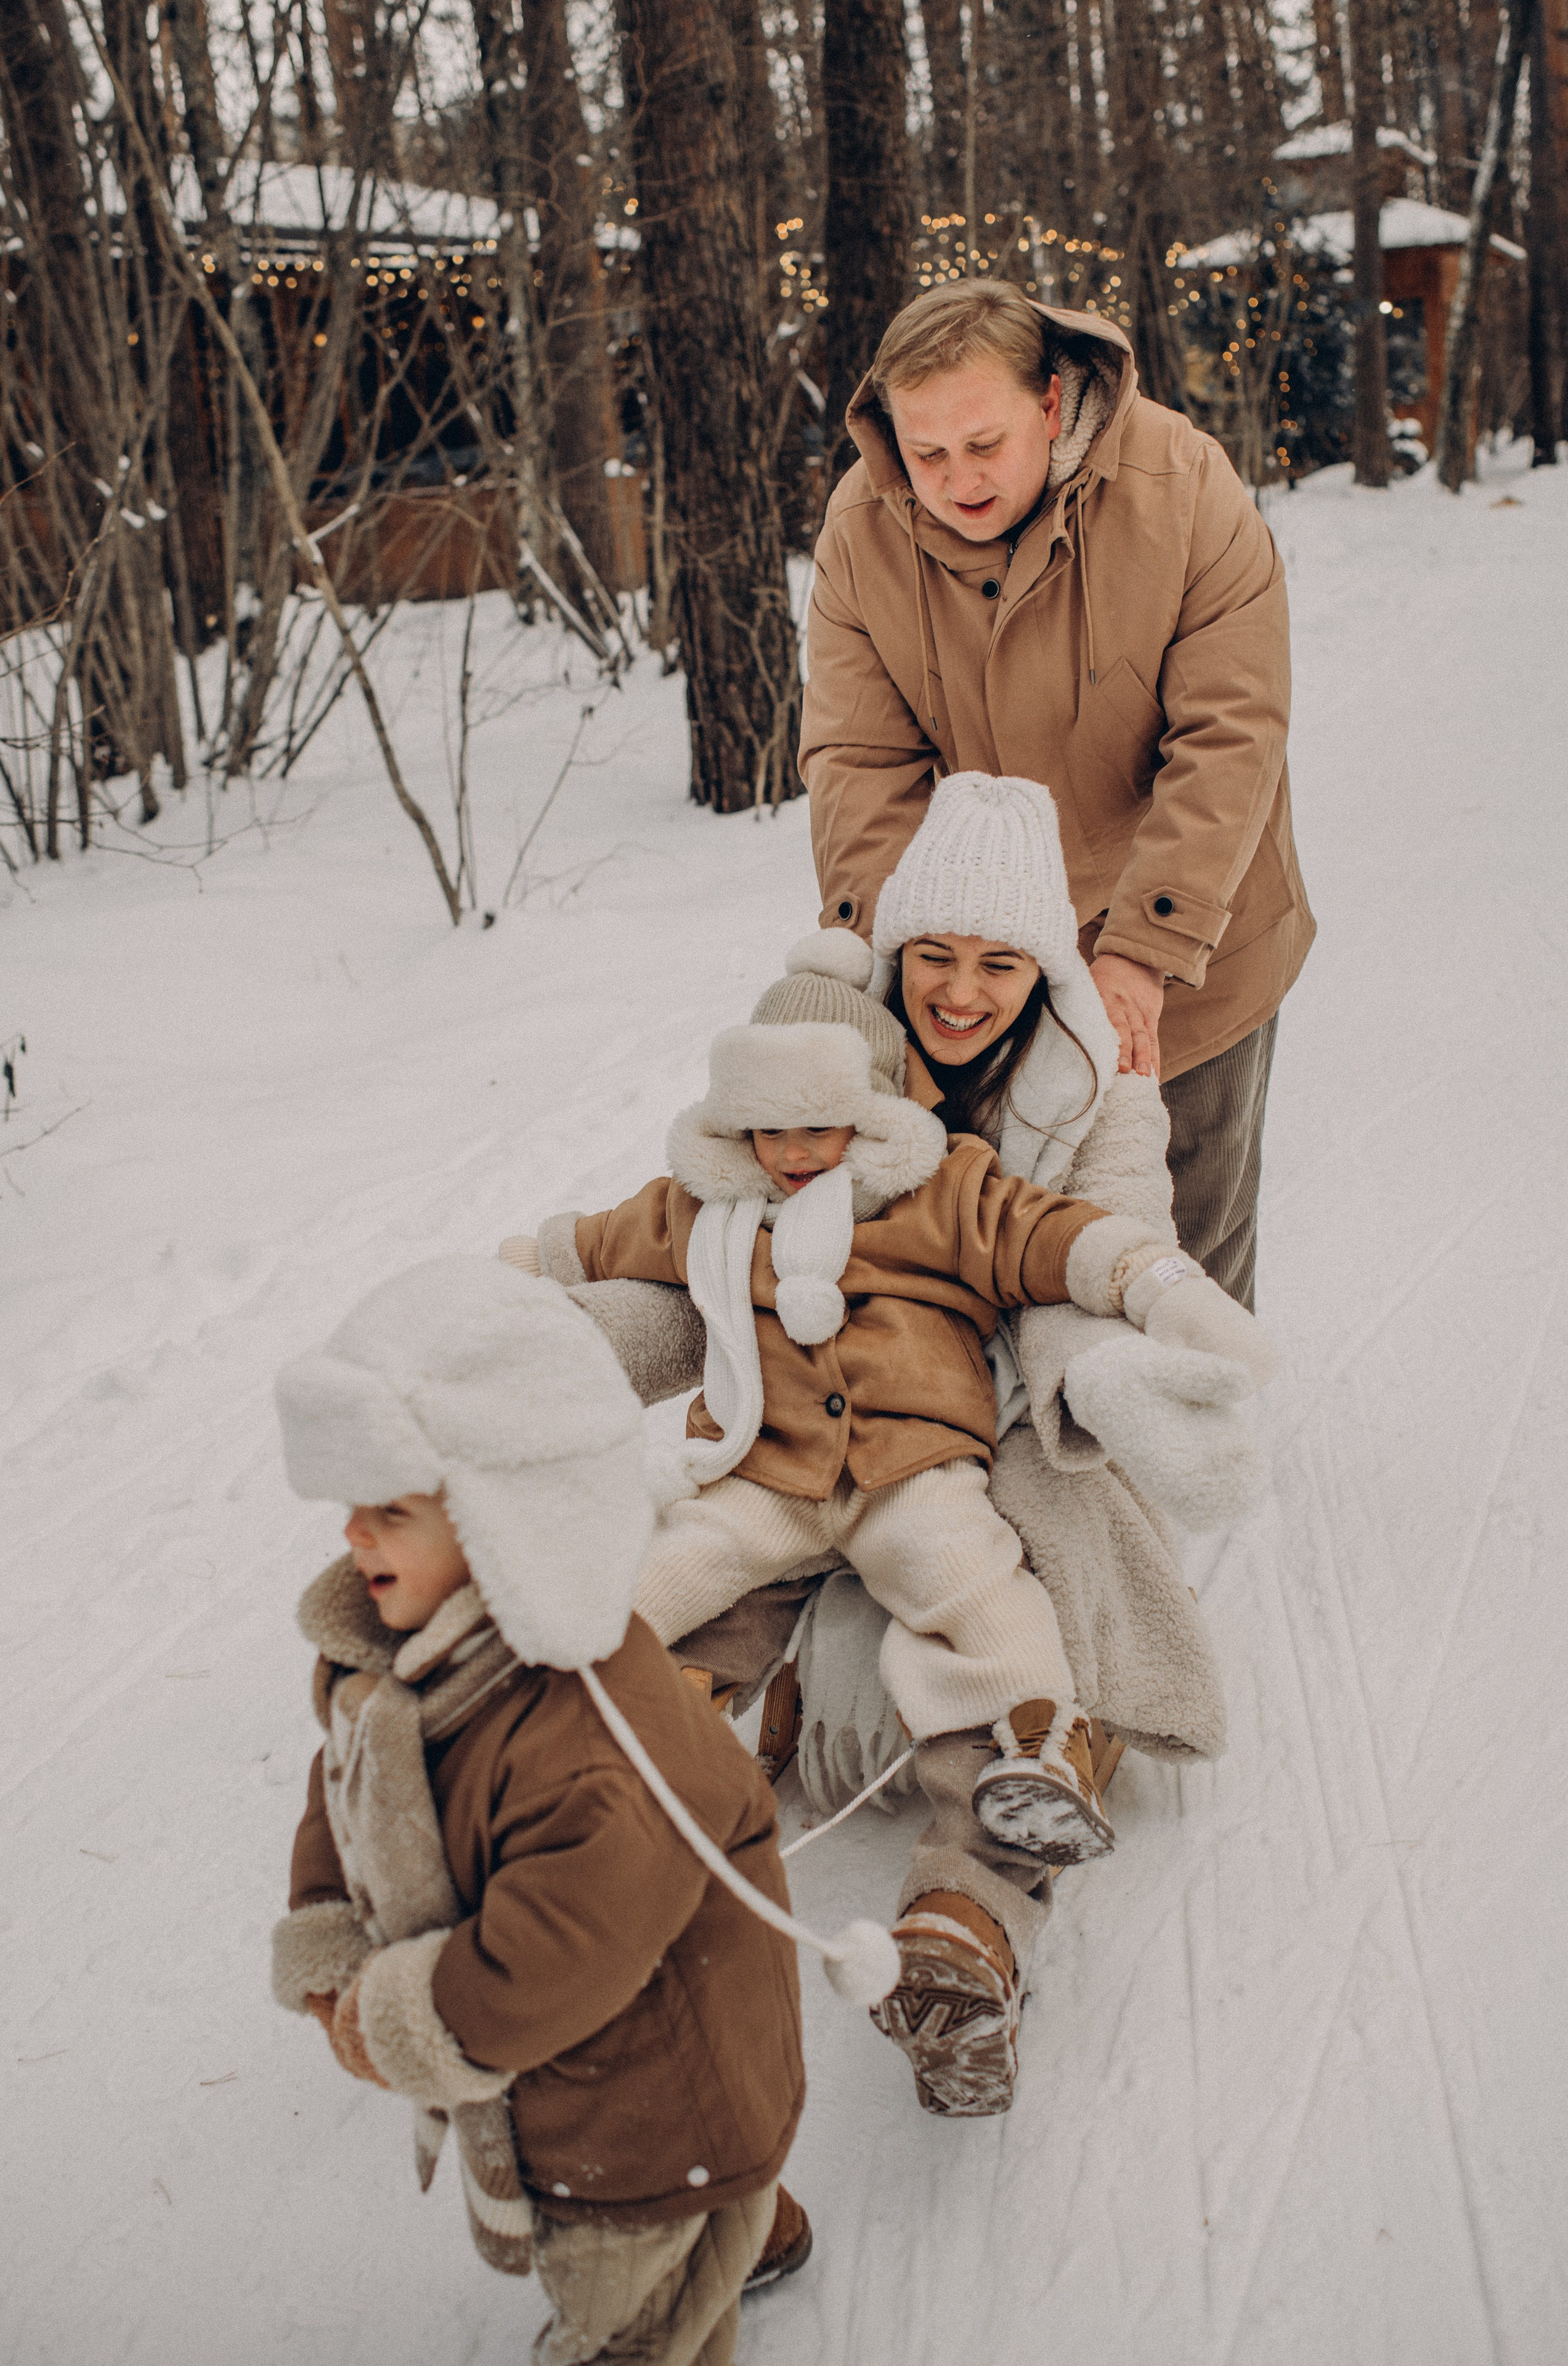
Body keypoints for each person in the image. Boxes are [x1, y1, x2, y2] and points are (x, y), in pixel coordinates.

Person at [506, 918, 1273, 2110]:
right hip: (764, 1470)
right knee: (666, 1586)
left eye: (829, 1124)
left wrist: (1159, 1288)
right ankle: (595, 1784)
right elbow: (591, 1241)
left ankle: (1024, 1767)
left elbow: (1054, 1238)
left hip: (918, 1467)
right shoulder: (705, 1207)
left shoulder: (941, 1186)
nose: (802, 1152)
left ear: (874, 1114)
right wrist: (498, 1288)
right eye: (775, 1126)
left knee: (976, 1596)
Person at [268, 1258, 820, 2366]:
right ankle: (739, 2225)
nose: (353, 1539)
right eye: (351, 1508)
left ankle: (708, 2222)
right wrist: (327, 1926)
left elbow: (552, 1958)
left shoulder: (593, 1754)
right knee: (695, 2238)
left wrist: (400, 2025)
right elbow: (351, 1795)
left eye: (391, 1512)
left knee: (631, 2322)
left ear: (502, 1519)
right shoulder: (402, 1671)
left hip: (645, 2112)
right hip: (596, 2077)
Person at [800, 280, 1316, 1309]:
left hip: (1194, 935)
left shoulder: (1182, 486)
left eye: (983, 443)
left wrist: (1147, 946)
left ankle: (1193, 1453)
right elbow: (860, 763)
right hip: (987, 950)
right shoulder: (863, 528)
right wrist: (884, 966)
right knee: (989, 1235)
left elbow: (1230, 731)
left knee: (1178, 1244)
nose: (955, 479)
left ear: (1048, 404)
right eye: (927, 452)